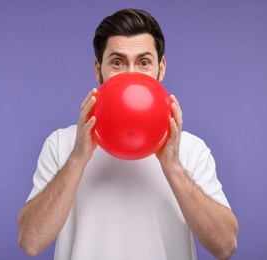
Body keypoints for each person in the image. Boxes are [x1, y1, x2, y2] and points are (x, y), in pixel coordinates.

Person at [17, 8, 238, 260]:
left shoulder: (192, 149)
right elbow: (31, 242)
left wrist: (174, 168)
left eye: (144, 63)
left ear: (161, 68)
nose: (131, 75)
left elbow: (225, 246)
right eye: (117, 63)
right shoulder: (62, 144)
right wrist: (78, 158)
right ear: (98, 70)